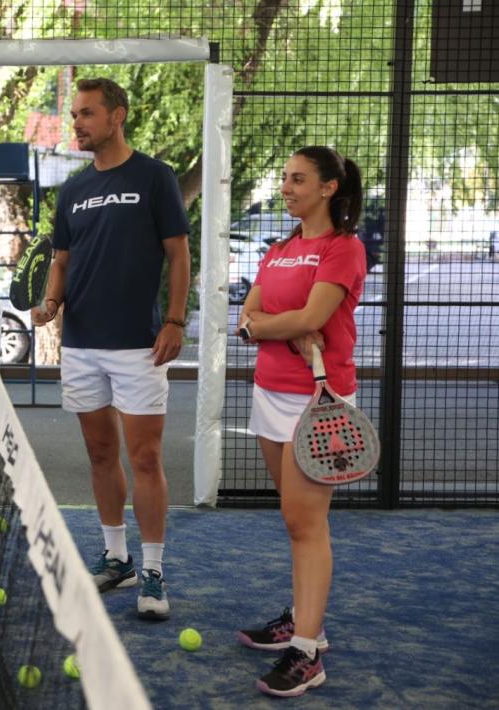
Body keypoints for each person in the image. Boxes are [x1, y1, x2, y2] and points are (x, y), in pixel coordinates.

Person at [32, 78, 191, 620]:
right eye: (74, 115)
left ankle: (153, 570)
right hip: (80, 346)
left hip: (138, 346)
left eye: (87, 114)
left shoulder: (154, 177)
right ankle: (117, 557)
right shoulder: (72, 189)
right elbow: (61, 258)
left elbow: (178, 253)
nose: (77, 123)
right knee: (100, 454)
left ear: (117, 116)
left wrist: (174, 319)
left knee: (144, 457)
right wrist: (51, 303)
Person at [233, 146, 367, 697]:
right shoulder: (280, 248)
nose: (286, 187)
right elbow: (247, 316)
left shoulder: (344, 248)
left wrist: (269, 325)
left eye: (297, 179)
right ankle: (302, 616)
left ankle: (308, 651)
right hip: (270, 394)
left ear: (328, 188)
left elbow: (314, 317)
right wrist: (270, 327)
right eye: (284, 177)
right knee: (294, 520)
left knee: (305, 523)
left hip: (321, 401)